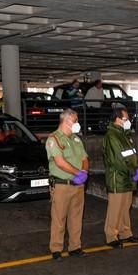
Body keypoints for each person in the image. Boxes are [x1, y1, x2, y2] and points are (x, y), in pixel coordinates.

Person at [46, 109, 90, 261]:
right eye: (75, 120)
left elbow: (85, 158)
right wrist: (79, 173)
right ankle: (56, 249)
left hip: (78, 185)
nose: (77, 123)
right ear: (65, 121)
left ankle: (75, 247)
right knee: (59, 218)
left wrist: (84, 171)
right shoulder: (54, 139)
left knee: (76, 217)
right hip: (61, 185)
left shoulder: (76, 139)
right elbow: (60, 163)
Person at [102, 106, 138, 249]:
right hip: (118, 178)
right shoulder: (112, 136)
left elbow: (131, 155)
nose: (128, 121)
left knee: (125, 207)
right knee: (115, 208)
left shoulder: (124, 134)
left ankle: (125, 233)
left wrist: (137, 168)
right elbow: (117, 160)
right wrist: (133, 171)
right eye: (125, 119)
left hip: (127, 178)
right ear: (117, 119)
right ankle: (111, 236)